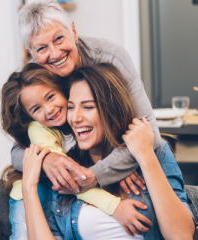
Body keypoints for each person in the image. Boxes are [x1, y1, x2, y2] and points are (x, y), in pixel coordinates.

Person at [21, 63, 195, 240]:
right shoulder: (67, 168)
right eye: (71, 107)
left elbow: (181, 235)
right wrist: (28, 188)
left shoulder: (155, 152)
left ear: (111, 109)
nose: (75, 118)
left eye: (88, 107)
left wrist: (145, 156)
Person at [11, 0, 159, 196]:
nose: (55, 54)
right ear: (32, 54)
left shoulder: (111, 58)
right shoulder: (34, 80)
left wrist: (99, 172)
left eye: (58, 39)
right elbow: (17, 152)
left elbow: (150, 135)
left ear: (73, 30)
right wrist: (47, 160)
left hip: (120, 164)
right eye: (41, 48)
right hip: (77, 168)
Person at [0, 63, 151, 239]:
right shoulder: (39, 130)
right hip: (29, 195)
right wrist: (114, 206)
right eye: (36, 109)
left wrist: (120, 168)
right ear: (29, 116)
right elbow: (70, 179)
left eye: (50, 97)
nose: (49, 110)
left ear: (62, 90)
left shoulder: (77, 120)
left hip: (59, 194)